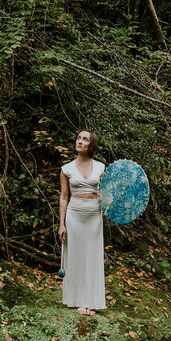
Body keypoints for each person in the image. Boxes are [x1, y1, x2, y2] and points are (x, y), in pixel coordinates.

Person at [58, 130, 106, 315]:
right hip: (74, 214)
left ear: (91, 145)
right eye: (78, 138)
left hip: (94, 214)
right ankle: (78, 300)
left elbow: (107, 194)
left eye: (85, 139)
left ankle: (92, 301)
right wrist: (61, 224)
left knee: (92, 257)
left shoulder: (101, 167)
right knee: (76, 257)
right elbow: (63, 197)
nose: (80, 141)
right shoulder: (66, 168)